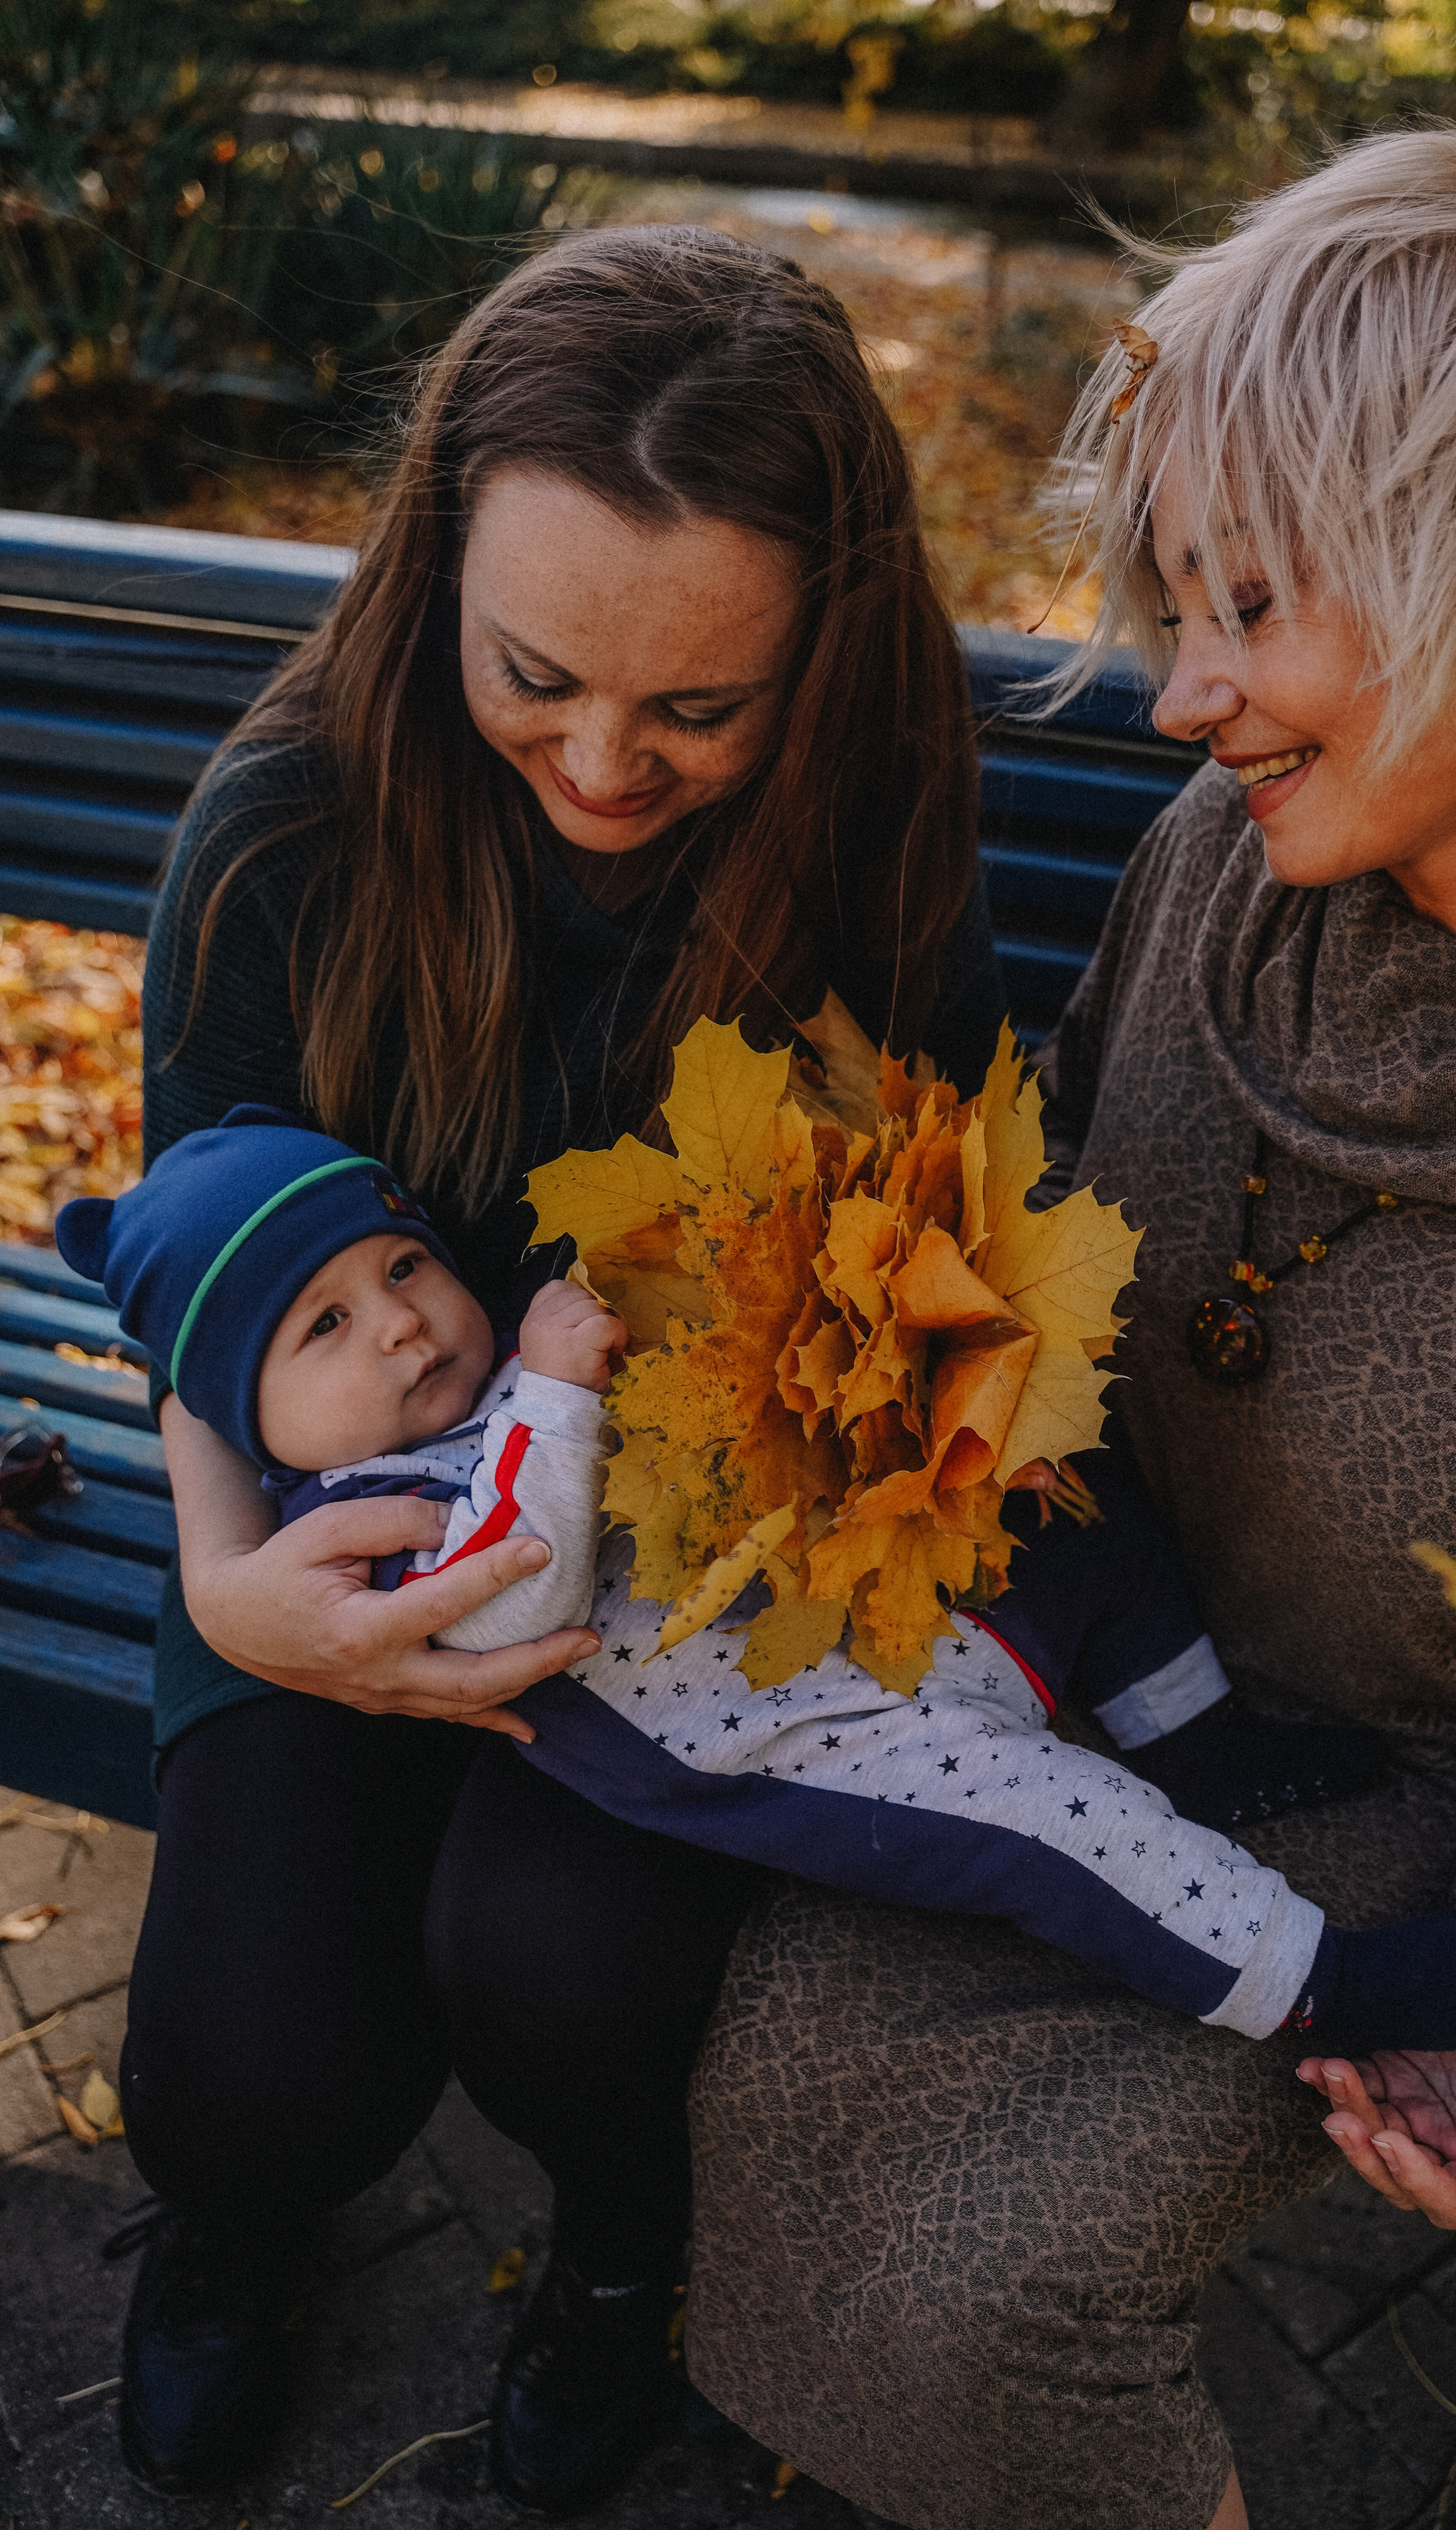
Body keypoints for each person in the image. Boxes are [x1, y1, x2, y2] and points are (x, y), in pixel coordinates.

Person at [667, 128, 1456, 2530]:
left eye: (1250, 600)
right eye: (1172, 603)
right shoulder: (1227, 861)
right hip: (1074, 1689)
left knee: (1002, 2288)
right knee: (763, 2077)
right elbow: (1046, 1266)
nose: (1176, 695)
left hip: (1431, 1815)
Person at [123, 222, 1003, 2512]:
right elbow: (196, 1300)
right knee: (245, 2072)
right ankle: (232, 2232)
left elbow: (923, 1269)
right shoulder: (287, 833)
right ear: (438, 590)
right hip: (326, 1533)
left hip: (672, 1585)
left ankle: (629, 2250)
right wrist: (232, 1598)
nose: (605, 763)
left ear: (819, 656)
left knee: (574, 1975)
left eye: (699, 709)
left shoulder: (873, 847)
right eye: (538, 676)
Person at [70, 1111, 1456, 2081]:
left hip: (853, 1596)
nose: (396, 1319)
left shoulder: (502, 1386)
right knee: (1054, 1828)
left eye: (399, 1266)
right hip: (812, 1735)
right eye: (324, 1326)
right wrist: (557, 1399)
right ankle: (1320, 1984)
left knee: (1069, 1513)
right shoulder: (355, 1527)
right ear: (246, 1419)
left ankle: (1192, 1730)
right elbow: (508, 1600)